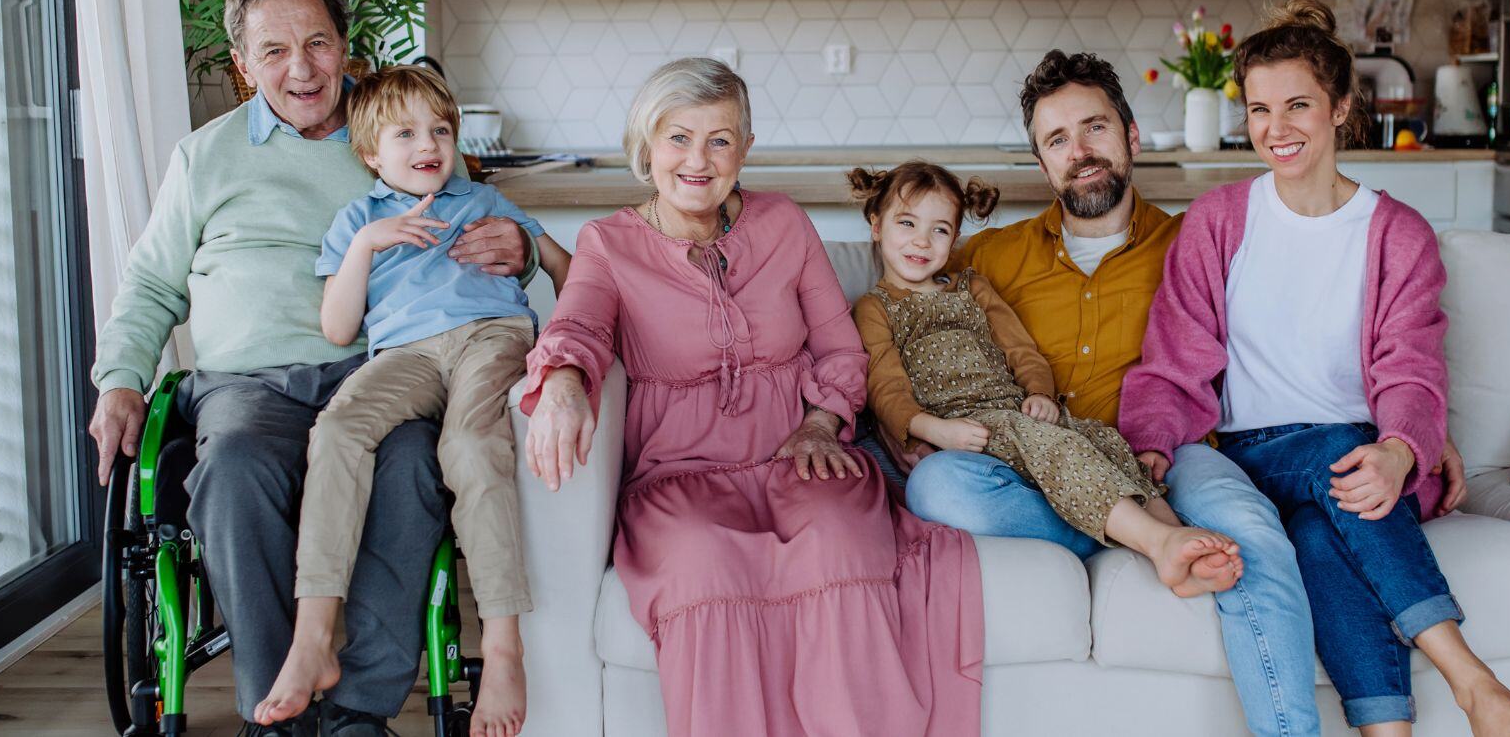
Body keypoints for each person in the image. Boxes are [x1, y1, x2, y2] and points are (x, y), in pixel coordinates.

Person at [86, 0, 534, 737]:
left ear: (346, 47)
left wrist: (519, 250)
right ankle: (279, 716)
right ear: (242, 66)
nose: (301, 68)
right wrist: (122, 379)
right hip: (246, 387)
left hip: (385, 367)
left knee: (411, 467)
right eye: (274, 51)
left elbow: (487, 231)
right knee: (232, 470)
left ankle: (357, 711)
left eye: (318, 43)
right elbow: (153, 285)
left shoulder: (401, 129)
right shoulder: (205, 157)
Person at [1120, 0, 1510, 737]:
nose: (1275, 129)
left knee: (1325, 537)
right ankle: (1474, 681)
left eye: (1296, 105)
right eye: (1258, 110)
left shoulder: (1397, 234)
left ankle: (1387, 732)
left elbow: (1412, 370)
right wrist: (1152, 450)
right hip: (1256, 456)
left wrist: (1400, 449)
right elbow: (1173, 361)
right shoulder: (1219, 222)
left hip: (1363, 456)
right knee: (1337, 456)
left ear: (1341, 107)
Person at [522, 58, 984, 737]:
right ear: (645, 146)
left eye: (720, 139)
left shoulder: (784, 224)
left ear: (745, 149)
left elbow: (840, 349)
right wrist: (563, 382)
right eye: (678, 137)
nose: (698, 160)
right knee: (703, 565)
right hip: (681, 473)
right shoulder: (608, 244)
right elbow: (580, 326)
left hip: (798, 456)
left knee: (839, 542)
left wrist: (824, 423)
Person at [898, 48, 1330, 736]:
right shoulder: (986, 260)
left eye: (1095, 128)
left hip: (1173, 459)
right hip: (1038, 463)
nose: (1080, 152)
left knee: (1249, 534)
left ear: (1131, 136)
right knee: (938, 488)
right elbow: (911, 338)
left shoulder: (1199, 242)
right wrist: (912, 430)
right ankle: (1144, 535)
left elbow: (1297, 343)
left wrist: (1406, 433)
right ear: (1042, 164)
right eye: (1058, 140)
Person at [252, 67, 570, 736]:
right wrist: (369, 245)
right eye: (406, 133)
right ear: (371, 154)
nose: (429, 143)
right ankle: (314, 639)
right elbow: (340, 329)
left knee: (470, 446)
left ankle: (505, 648)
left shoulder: (484, 201)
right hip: (405, 355)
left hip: (491, 336)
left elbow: (576, 277)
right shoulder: (357, 220)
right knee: (336, 431)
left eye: (441, 129)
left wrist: (532, 260)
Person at [849, 160, 1241, 597]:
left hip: (1014, 414)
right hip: (962, 429)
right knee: (958, 483)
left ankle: (1177, 546)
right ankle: (1151, 541)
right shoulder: (874, 308)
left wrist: (1039, 393)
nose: (922, 241)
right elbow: (885, 385)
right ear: (876, 226)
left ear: (955, 237)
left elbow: (1021, 349)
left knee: (1099, 445)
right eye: (907, 223)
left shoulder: (971, 287)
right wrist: (930, 428)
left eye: (940, 230)